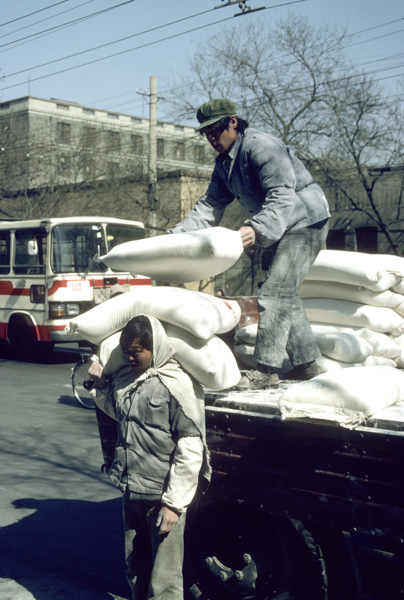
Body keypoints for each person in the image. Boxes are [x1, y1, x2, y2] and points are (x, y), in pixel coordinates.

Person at [167, 98, 330, 389]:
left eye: (215, 130)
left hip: (305, 219)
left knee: (274, 293)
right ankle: (309, 365)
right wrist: (177, 234)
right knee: (285, 295)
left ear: (232, 121)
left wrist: (256, 227)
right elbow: (210, 205)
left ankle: (266, 370)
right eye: (206, 134)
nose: (211, 138)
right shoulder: (224, 165)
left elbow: (282, 194)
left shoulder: (261, 146)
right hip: (282, 224)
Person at [88, 314, 210, 600]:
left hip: (161, 496)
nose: (130, 358)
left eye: (137, 352)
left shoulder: (176, 385)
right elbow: (115, 413)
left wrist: (174, 504)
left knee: (165, 578)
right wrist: (101, 385)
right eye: (126, 352)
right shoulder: (126, 379)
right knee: (136, 565)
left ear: (155, 348)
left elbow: (191, 448)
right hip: (132, 490)